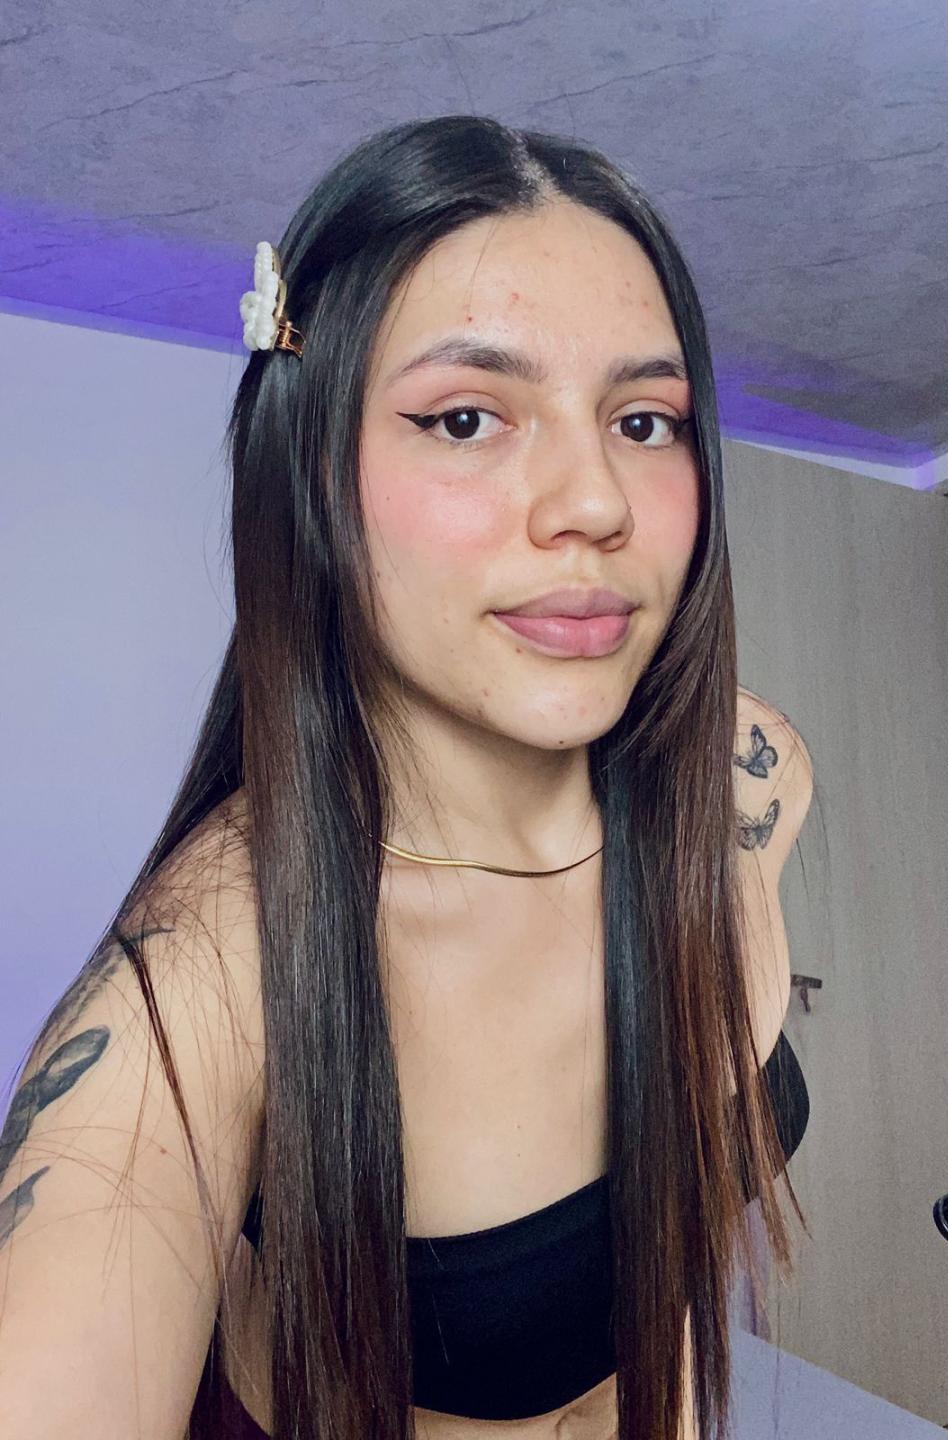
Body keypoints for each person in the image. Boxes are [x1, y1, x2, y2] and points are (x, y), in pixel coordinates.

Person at [0, 115, 813, 1440]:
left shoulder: (747, 779)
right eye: (468, 417)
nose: (596, 501)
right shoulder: (198, 996)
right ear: (311, 471)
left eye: (644, 420)